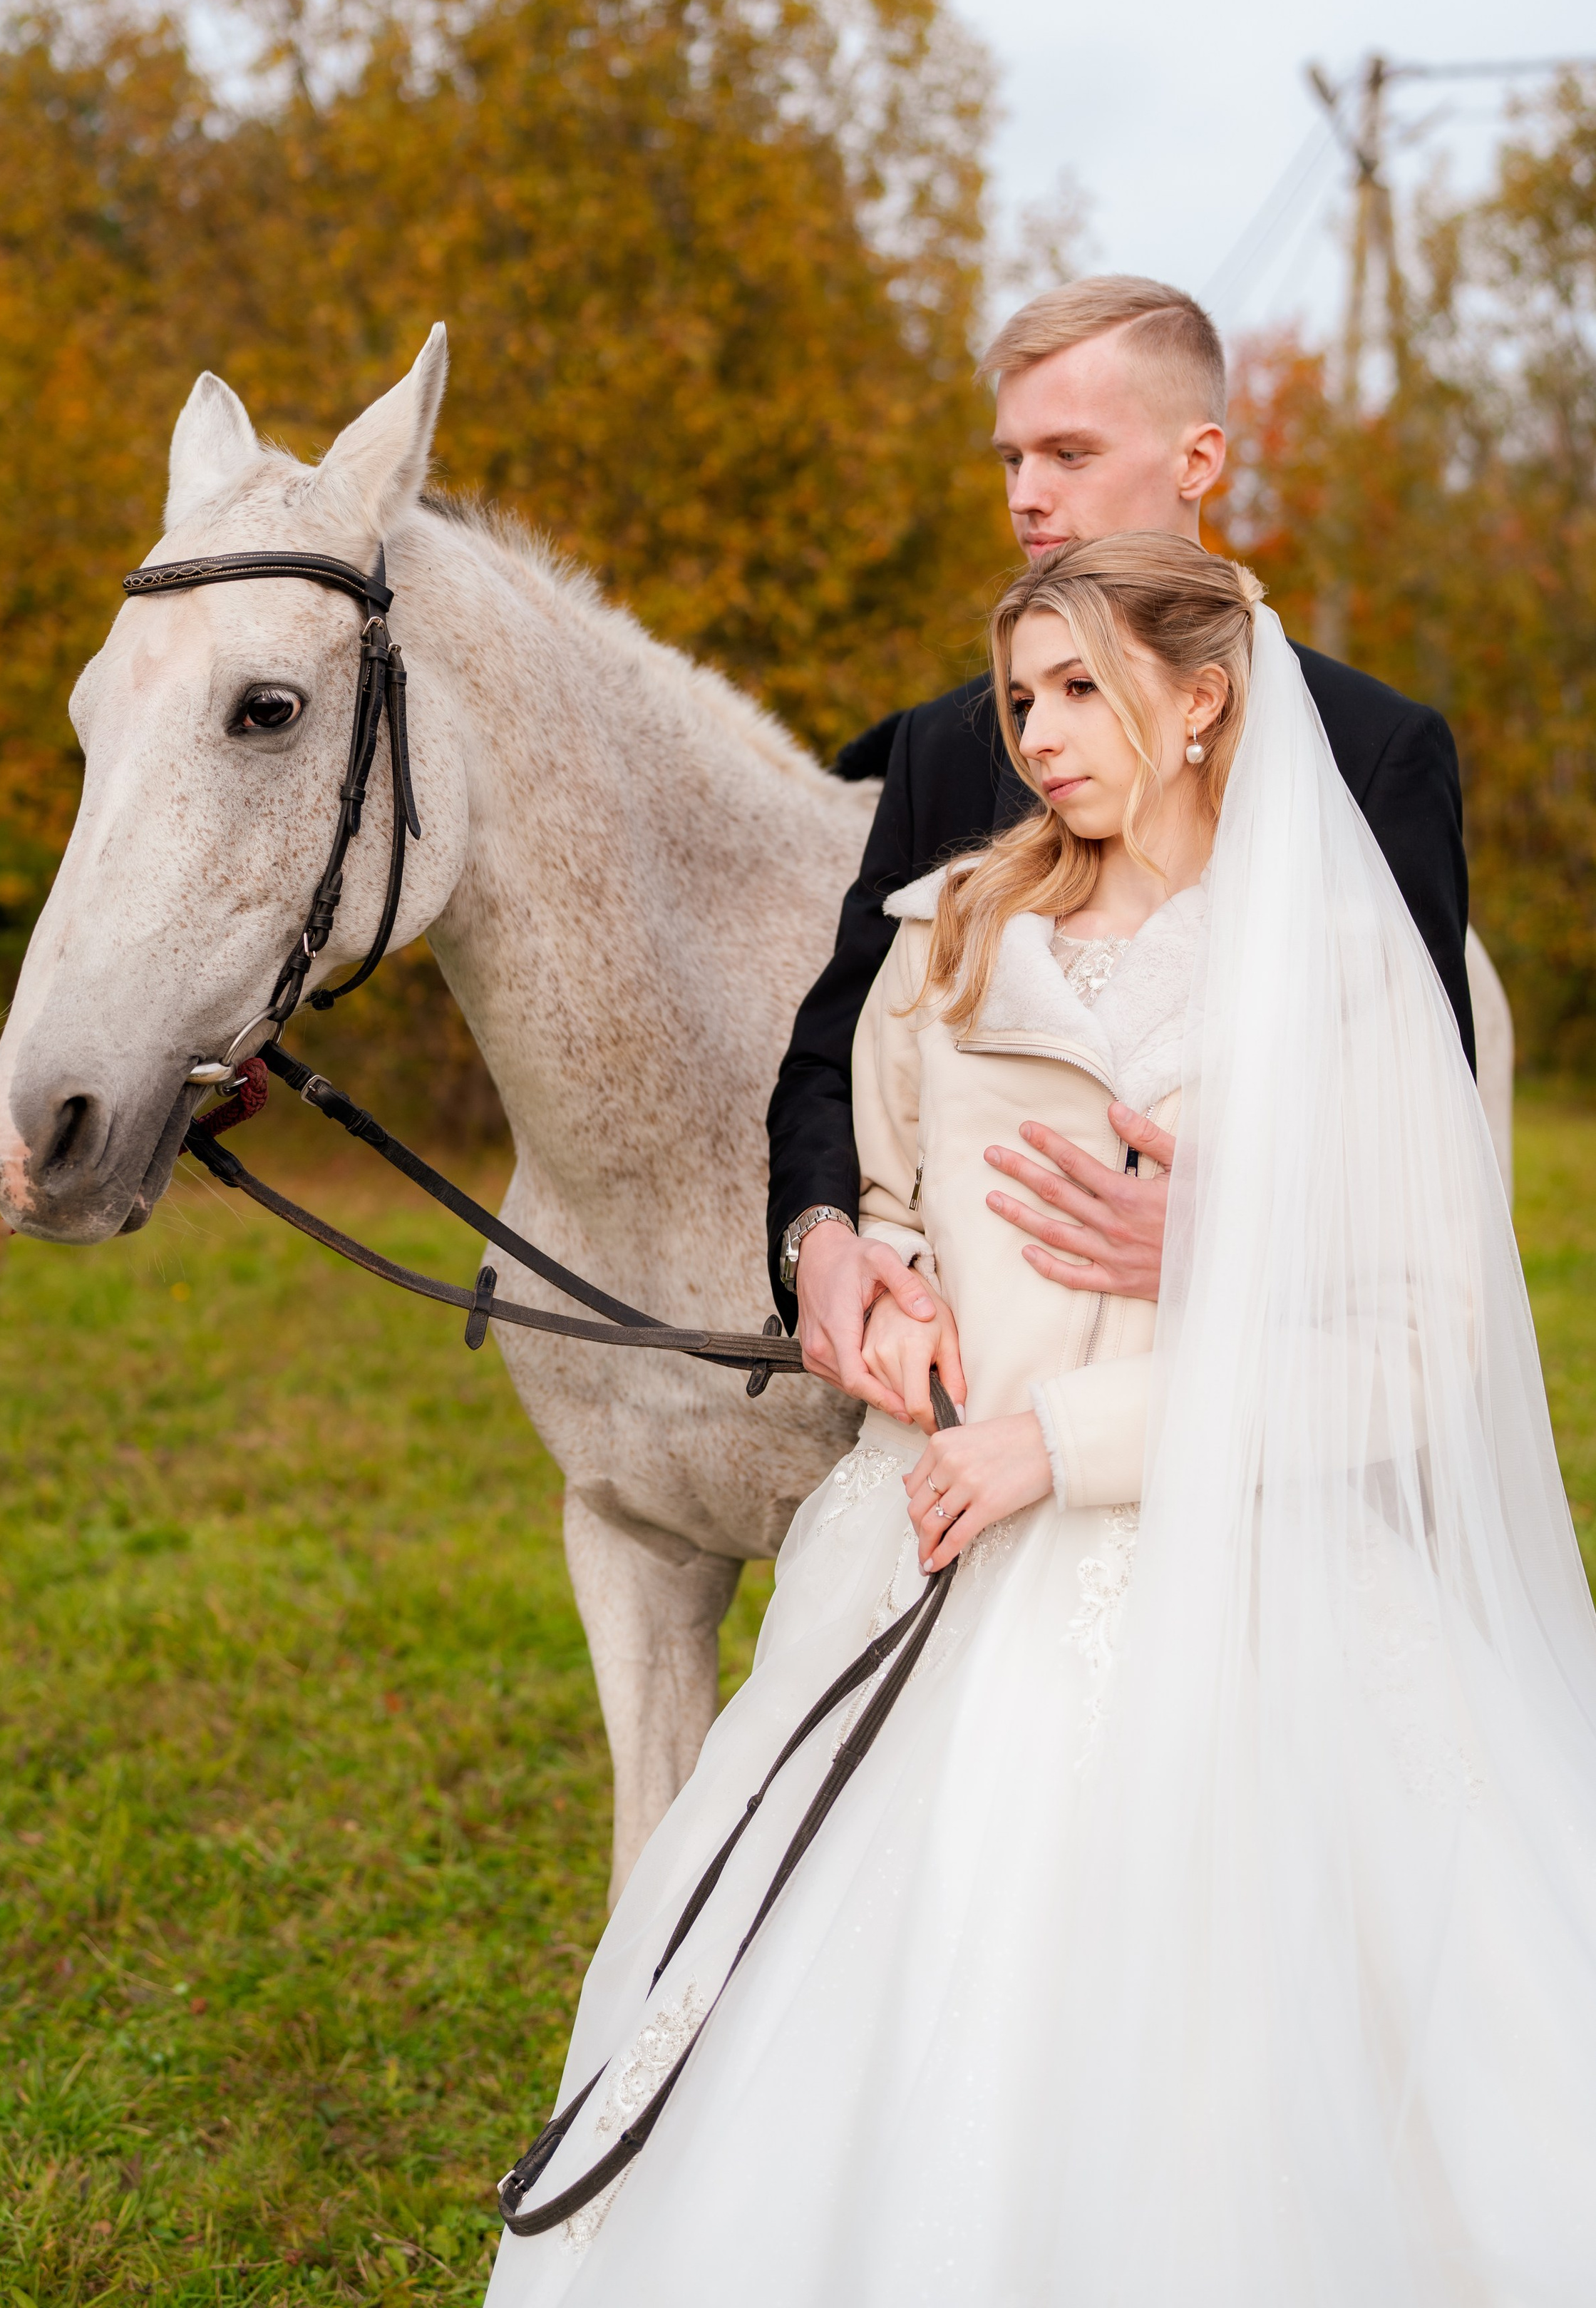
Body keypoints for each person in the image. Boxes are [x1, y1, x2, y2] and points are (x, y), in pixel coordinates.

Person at [487, 537, 1596, 2307]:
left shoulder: (1339, 969)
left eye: (1082, 688)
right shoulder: (947, 936)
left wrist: (1057, 1444)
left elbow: (1411, 1344)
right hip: (924, 1541)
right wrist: (891, 1281)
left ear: (1201, 699)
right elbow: (894, 1188)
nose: (1041, 733)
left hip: (1226, 1586)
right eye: (1021, 697)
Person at [767, 276, 1473, 1420]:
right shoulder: (943, 745)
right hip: (961, 1417)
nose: (1028, 498)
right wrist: (822, 1241)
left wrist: (1234, 1243)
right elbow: (831, 1055)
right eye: (1010, 461)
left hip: (1250, 1433)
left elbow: (1419, 1135)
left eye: (1069, 454)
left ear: (1199, 461)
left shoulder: (1376, 750)